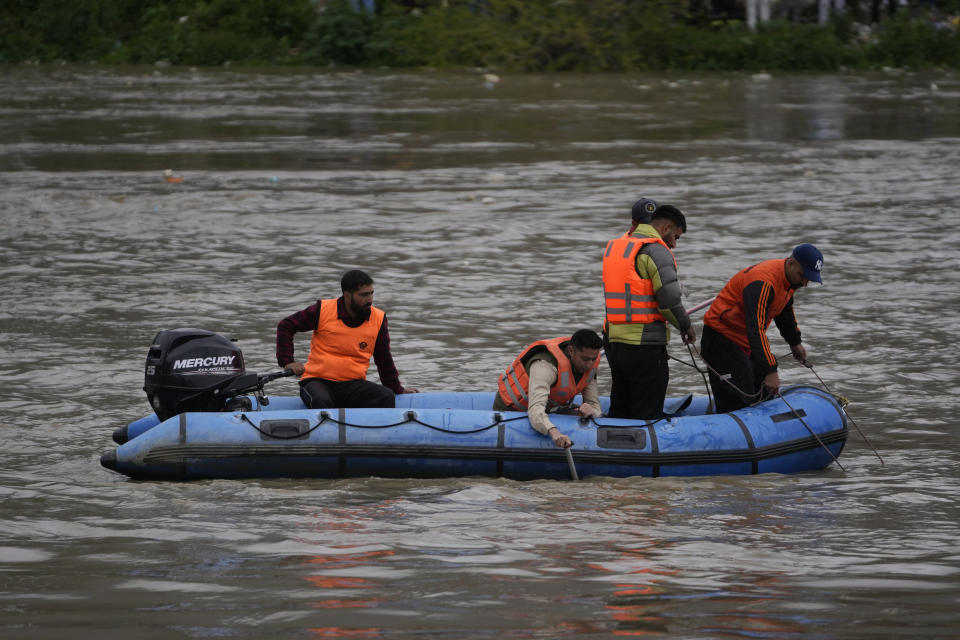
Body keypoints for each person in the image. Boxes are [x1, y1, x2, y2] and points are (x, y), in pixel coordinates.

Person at [699, 243, 823, 413]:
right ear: (791, 262)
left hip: (745, 342)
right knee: (738, 400)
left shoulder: (789, 282)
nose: (805, 283)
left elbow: (784, 313)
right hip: (721, 339)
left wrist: (795, 343)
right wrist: (770, 369)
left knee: (763, 392)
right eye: (803, 276)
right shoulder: (763, 282)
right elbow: (755, 328)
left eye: (809, 279)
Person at [602, 202, 697, 420]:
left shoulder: (617, 247)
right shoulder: (656, 250)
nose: (674, 244)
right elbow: (669, 300)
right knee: (647, 412)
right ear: (665, 229)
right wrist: (685, 325)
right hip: (644, 345)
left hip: (614, 342)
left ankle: (615, 449)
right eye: (676, 237)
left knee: (621, 407)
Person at [276, 269, 417, 409]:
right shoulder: (322, 310)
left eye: (371, 293)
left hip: (353, 385)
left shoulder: (378, 319)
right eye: (364, 295)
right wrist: (288, 361)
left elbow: (383, 358)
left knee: (386, 396)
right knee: (322, 400)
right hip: (317, 382)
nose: (370, 300)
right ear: (347, 295)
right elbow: (286, 326)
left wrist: (397, 389)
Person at [493, 330, 603, 449]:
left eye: (593, 359)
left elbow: (594, 405)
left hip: (549, 408)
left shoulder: (589, 367)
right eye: (585, 359)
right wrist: (554, 432)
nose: (589, 365)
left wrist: (592, 411)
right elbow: (535, 410)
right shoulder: (545, 366)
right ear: (571, 351)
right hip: (513, 410)